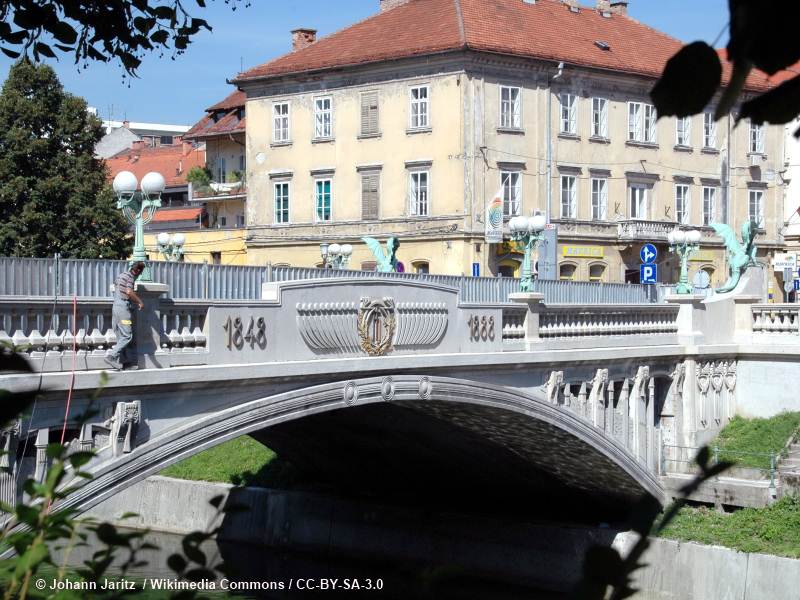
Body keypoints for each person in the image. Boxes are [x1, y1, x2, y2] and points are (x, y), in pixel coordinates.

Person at [104, 262, 145, 371]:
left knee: (121, 336)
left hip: (116, 307)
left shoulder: (121, 275)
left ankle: (125, 362)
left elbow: (117, 286)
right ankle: (111, 356)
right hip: (123, 309)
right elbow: (129, 291)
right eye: (140, 272)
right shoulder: (130, 277)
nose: (139, 275)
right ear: (137, 270)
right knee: (127, 336)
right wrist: (140, 302)